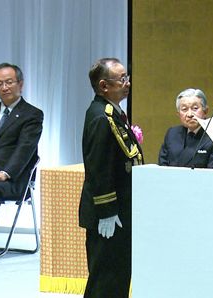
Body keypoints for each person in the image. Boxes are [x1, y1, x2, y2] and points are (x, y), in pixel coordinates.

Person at [79, 58, 143, 297]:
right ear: (104, 85)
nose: (128, 83)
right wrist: (107, 211)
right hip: (108, 214)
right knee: (106, 278)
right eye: (122, 79)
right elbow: (99, 168)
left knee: (116, 277)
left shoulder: (113, 112)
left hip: (120, 209)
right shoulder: (101, 117)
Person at [0, 63, 43, 261]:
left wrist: (5, 172)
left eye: (9, 82)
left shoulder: (32, 114)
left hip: (13, 179)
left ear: (20, 84)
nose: (4, 87)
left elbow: (25, 149)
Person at [158, 88, 213, 169]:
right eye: (184, 109)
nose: (190, 114)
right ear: (178, 114)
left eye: (195, 108)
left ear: (205, 111)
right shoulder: (172, 134)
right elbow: (162, 166)